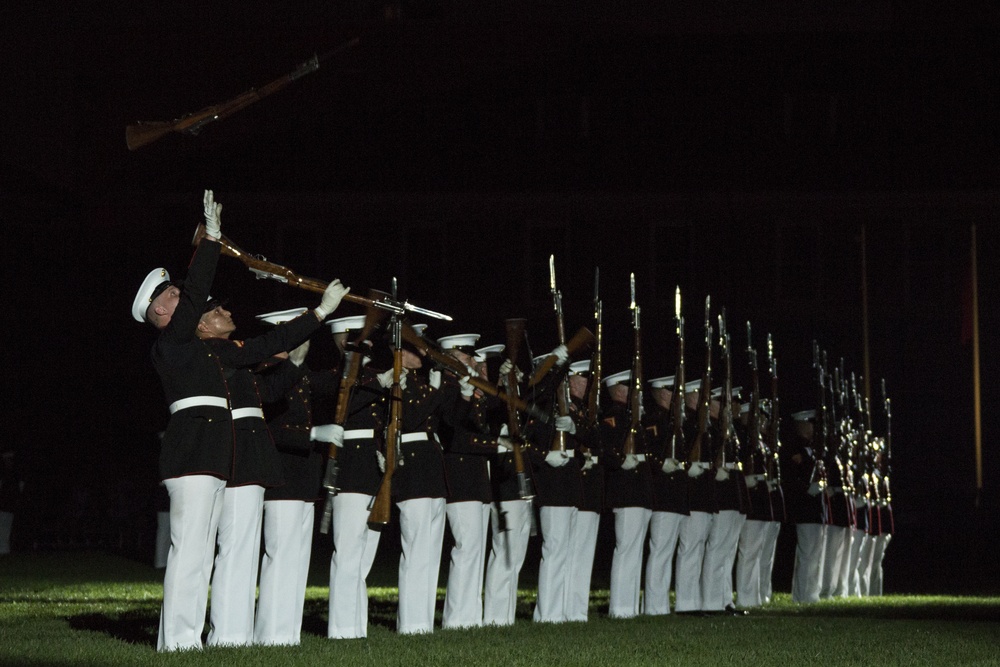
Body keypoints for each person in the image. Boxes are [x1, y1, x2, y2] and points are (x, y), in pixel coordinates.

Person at [131, 190, 349, 651]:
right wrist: (210, 242)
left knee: (235, 553)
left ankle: (229, 637)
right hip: (193, 453)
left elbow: (263, 348)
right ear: (160, 313)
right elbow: (194, 302)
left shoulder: (215, 349)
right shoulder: (170, 345)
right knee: (190, 553)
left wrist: (320, 314)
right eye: (175, 295)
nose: (187, 298)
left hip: (225, 455)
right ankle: (180, 644)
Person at [252, 308, 339, 646]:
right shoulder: (267, 371)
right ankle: (270, 633)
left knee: (298, 558)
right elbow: (270, 429)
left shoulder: (296, 372)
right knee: (281, 555)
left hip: (303, 476)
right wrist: (314, 433)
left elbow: (336, 382)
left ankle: (287, 633)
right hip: (282, 474)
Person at [326, 315, 391, 639]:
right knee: (349, 549)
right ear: (343, 342)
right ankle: (340, 628)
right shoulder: (341, 377)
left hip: (371, 465)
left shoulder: (372, 376)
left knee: (364, 553)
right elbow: (348, 400)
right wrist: (380, 383)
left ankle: (356, 624)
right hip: (350, 467)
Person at [440, 340, 502, 630]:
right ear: (451, 356)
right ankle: (457, 619)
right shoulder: (448, 388)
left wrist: (493, 377)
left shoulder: (470, 389)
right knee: (466, 548)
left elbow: (499, 403)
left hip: (476, 478)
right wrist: (494, 444)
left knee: (475, 549)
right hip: (459, 477)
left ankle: (470, 617)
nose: (472, 361)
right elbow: (456, 434)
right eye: (467, 355)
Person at [600, 369, 653, 619]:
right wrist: (623, 460)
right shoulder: (614, 416)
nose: (637, 393)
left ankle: (630, 606)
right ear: (620, 390)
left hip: (639, 491)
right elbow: (608, 449)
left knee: (634, 550)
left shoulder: (632, 417)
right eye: (632, 388)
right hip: (627, 492)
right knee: (626, 549)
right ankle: (620, 608)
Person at [642, 375, 689, 616]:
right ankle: (653, 606)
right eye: (670, 391)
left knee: (666, 552)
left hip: (674, 495)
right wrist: (663, 464)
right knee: (660, 551)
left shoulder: (673, 421)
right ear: (660, 392)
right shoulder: (655, 420)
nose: (674, 396)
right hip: (662, 493)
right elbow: (648, 452)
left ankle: (660, 604)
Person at [783, 410, 827, 604]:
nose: (812, 428)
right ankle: (802, 595)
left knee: (814, 554)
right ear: (802, 425)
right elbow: (791, 478)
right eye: (810, 424)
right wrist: (807, 488)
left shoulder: (811, 449)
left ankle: (811, 593)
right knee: (807, 554)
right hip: (804, 508)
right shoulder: (795, 447)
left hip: (815, 508)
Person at [0, 447, 23, 555]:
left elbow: (19, 490)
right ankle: (4, 550)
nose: (9, 463)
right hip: (4, 506)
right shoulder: (5, 474)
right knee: (4, 529)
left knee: (6, 529)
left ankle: (5, 550)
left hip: (9, 506)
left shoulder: (14, 475)